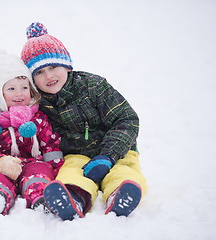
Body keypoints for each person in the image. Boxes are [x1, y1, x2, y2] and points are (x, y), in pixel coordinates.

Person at [19, 22, 148, 221]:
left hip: (117, 151)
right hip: (75, 155)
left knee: (122, 171)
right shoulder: (38, 102)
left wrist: (109, 156)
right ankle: (74, 197)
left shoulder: (93, 86)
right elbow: (11, 101)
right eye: (39, 72)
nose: (49, 76)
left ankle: (120, 195)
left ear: (66, 65)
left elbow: (126, 119)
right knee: (70, 173)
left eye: (53, 67)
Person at [0, 50, 64, 215]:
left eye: (24, 87)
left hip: (32, 163)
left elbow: (50, 144)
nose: (19, 93)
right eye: (11, 88)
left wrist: (57, 169)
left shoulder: (37, 118)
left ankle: (41, 197)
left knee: (40, 172)